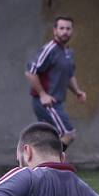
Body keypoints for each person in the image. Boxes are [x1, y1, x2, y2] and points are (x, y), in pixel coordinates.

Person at [25, 16, 86, 149]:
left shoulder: (68, 52)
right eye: (61, 28)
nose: (65, 31)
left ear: (72, 31)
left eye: (68, 29)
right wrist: (42, 95)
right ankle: (52, 164)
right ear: (55, 31)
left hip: (56, 102)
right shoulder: (50, 49)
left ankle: (38, 164)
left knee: (49, 137)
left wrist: (77, 92)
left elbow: (69, 76)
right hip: (46, 103)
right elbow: (30, 72)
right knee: (68, 134)